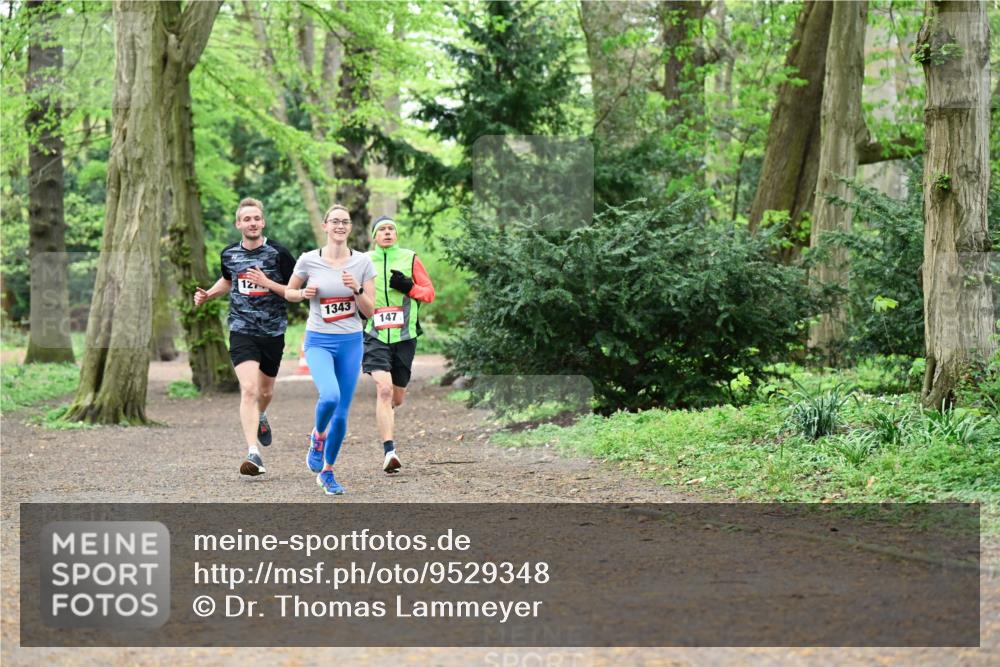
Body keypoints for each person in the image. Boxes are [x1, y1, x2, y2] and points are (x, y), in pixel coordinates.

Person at [193, 197, 295, 477]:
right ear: (238, 224)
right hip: (242, 329)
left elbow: (295, 290)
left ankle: (262, 416)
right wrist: (208, 294)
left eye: (256, 219)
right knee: (249, 389)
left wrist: (267, 283)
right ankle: (254, 453)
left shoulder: (279, 254)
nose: (252, 223)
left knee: (265, 392)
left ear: (263, 222)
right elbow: (228, 280)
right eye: (246, 219)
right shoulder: (229, 254)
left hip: (273, 331)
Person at [282, 204, 375, 495]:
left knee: (342, 414)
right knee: (330, 395)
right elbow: (289, 292)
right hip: (319, 340)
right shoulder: (309, 260)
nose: (340, 226)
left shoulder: (362, 263)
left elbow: (370, 311)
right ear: (325, 226)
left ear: (350, 228)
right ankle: (317, 437)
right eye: (334, 221)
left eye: (345, 222)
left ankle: (328, 472)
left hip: (351, 341)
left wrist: (356, 290)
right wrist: (303, 293)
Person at [362, 215, 435, 474]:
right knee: (383, 390)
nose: (387, 232)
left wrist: (409, 287)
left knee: (396, 397)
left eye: (391, 228)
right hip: (375, 335)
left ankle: (387, 414)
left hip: (405, 336)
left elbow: (429, 293)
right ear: (374, 236)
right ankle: (389, 451)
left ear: (397, 234)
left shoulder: (410, 258)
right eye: (382, 229)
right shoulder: (364, 261)